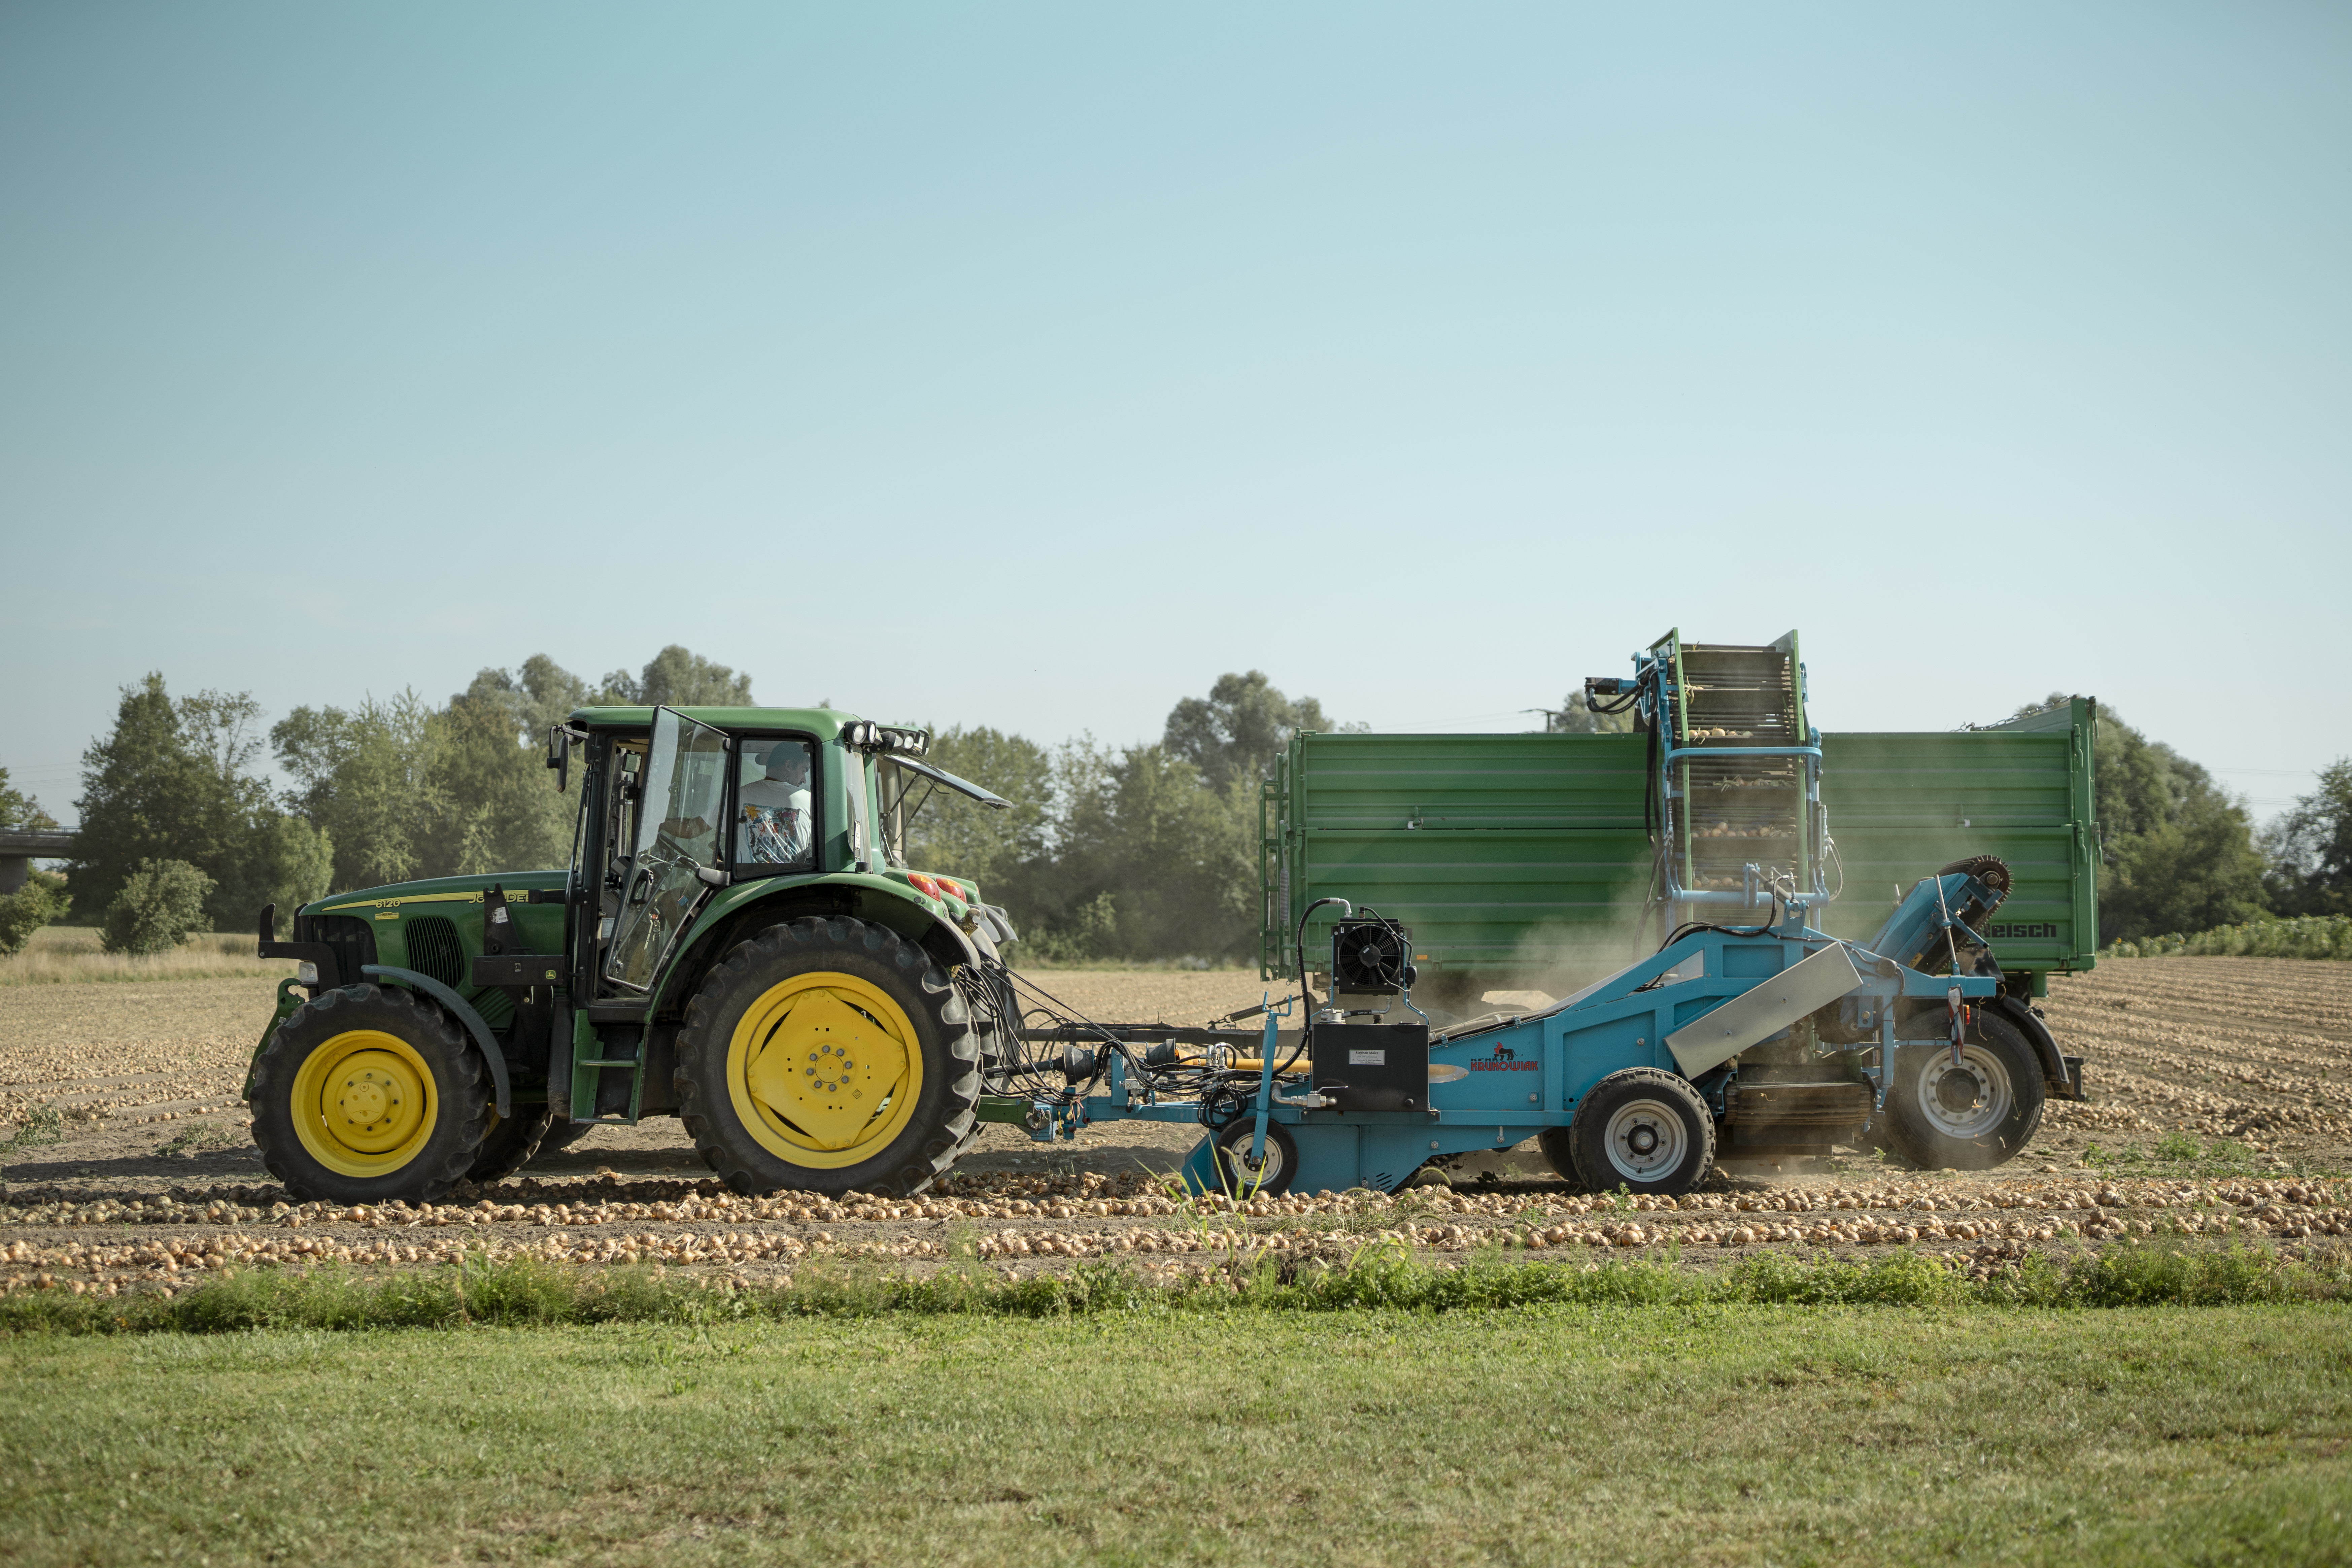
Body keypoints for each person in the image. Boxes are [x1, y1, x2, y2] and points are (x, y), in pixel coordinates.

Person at [738, 742, 813, 864]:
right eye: (803, 771)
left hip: (747, 881)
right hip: (792, 881)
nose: (804, 779)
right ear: (789, 765)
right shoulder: (809, 801)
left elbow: (699, 827)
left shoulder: (740, 795)